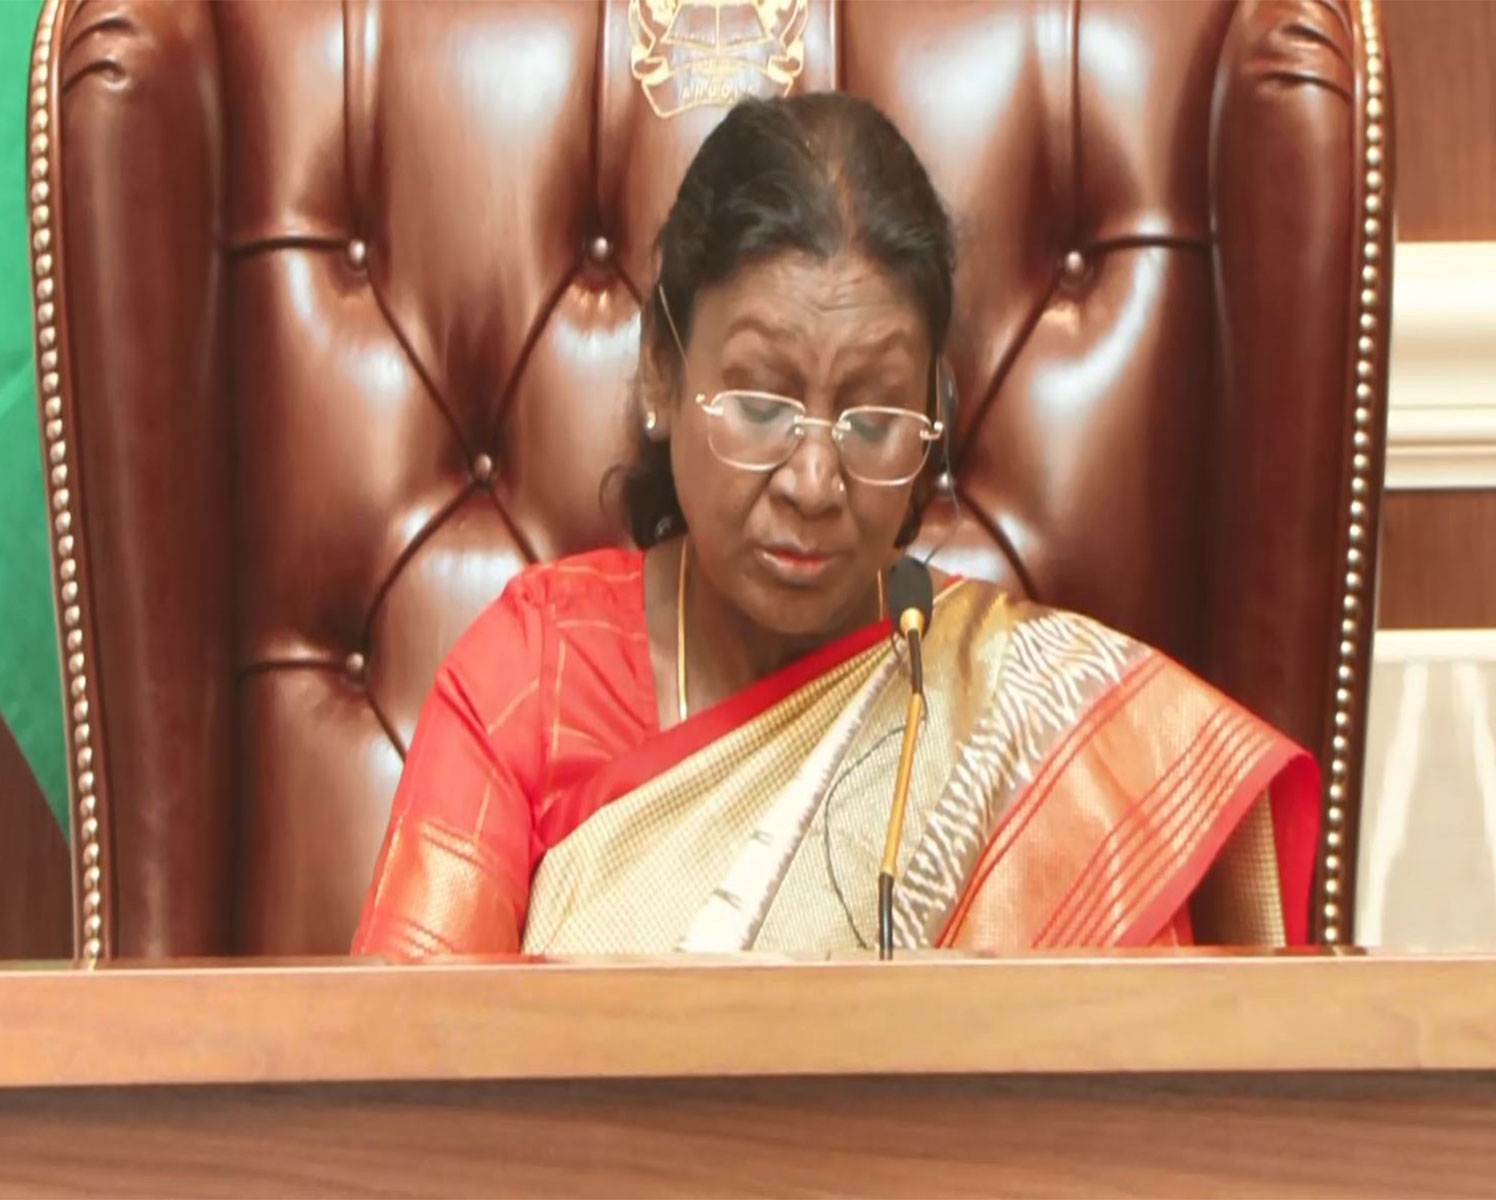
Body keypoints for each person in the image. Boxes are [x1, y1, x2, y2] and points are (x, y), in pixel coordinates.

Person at [352, 93, 1318, 959]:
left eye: (873, 419)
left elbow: (1146, 1110)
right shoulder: (533, 675)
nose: (815, 481)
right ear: (662, 372)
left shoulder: (1028, 722)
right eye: (762, 405)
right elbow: (407, 1083)